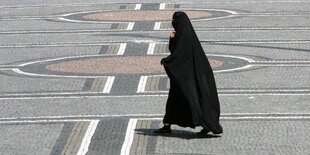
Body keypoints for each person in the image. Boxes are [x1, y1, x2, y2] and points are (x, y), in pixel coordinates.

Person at [154, 11, 223, 135]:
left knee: (191, 101)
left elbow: (178, 55)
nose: (173, 23)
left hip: (186, 78)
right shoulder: (184, 35)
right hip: (184, 76)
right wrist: (172, 39)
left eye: (175, 20)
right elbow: (176, 51)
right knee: (174, 102)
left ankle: (207, 124)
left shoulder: (183, 37)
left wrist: (166, 61)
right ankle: (167, 125)